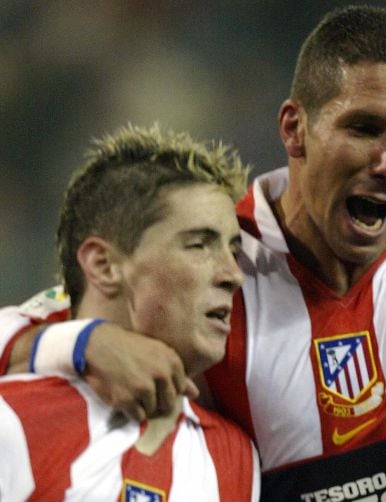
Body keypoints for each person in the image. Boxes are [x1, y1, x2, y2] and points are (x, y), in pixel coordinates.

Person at [0, 6, 386, 501]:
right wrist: (85, 342)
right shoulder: (221, 258)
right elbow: (46, 321)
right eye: (364, 128)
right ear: (295, 128)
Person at [0, 124, 260, 500]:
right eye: (199, 245)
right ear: (104, 266)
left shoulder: (234, 459)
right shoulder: (14, 424)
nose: (233, 275)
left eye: (233, 251)